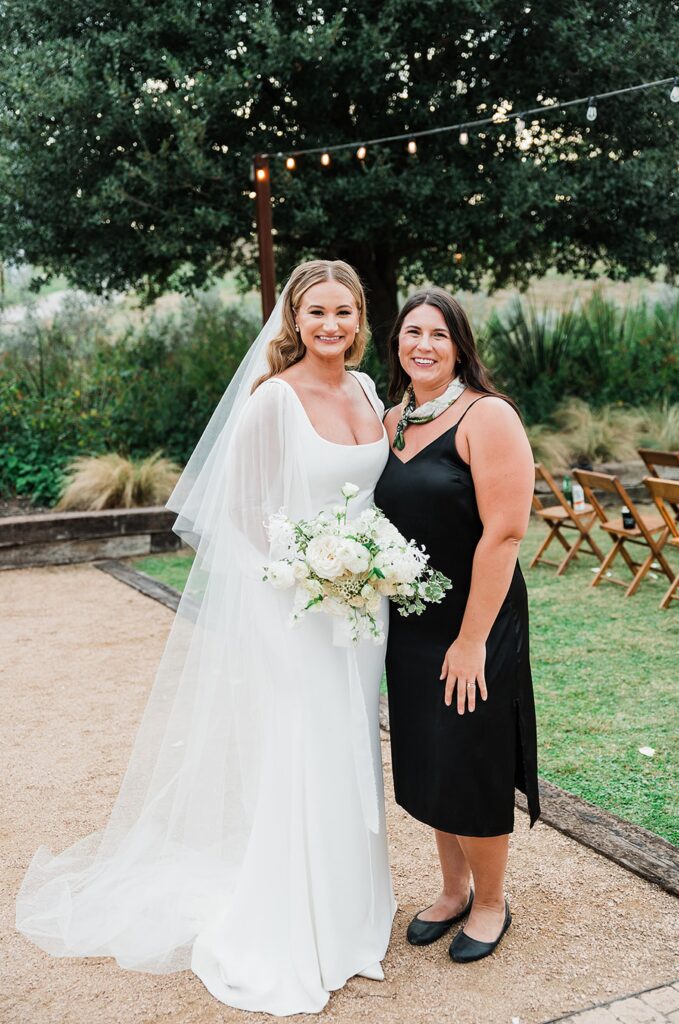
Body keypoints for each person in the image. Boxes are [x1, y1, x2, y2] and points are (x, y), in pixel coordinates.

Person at [16, 260, 396, 1015]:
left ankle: (353, 913)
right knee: (304, 749)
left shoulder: (367, 391)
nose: (332, 325)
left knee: (351, 744)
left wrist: (366, 567)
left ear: (360, 320)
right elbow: (242, 515)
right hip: (299, 606)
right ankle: (294, 923)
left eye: (345, 313)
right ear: (294, 319)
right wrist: (309, 574)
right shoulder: (272, 403)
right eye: (317, 312)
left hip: (363, 605)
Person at [374, 287, 540, 964]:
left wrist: (472, 641)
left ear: (460, 345)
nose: (424, 344)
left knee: (471, 755)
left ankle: (492, 902)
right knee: (428, 755)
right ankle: (452, 889)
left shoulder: (487, 416)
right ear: (397, 345)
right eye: (413, 332)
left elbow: (504, 535)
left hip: (478, 618)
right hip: (411, 620)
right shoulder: (390, 421)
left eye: (439, 334)